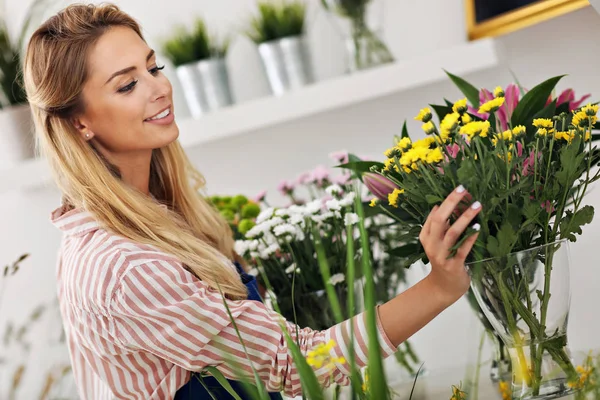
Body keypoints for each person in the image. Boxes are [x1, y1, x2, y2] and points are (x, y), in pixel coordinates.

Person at [23, 3, 482, 400]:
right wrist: (439, 288)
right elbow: (296, 363)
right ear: (79, 123)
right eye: (127, 85)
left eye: (154, 68)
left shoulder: (153, 217)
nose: (159, 88)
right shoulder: (125, 266)